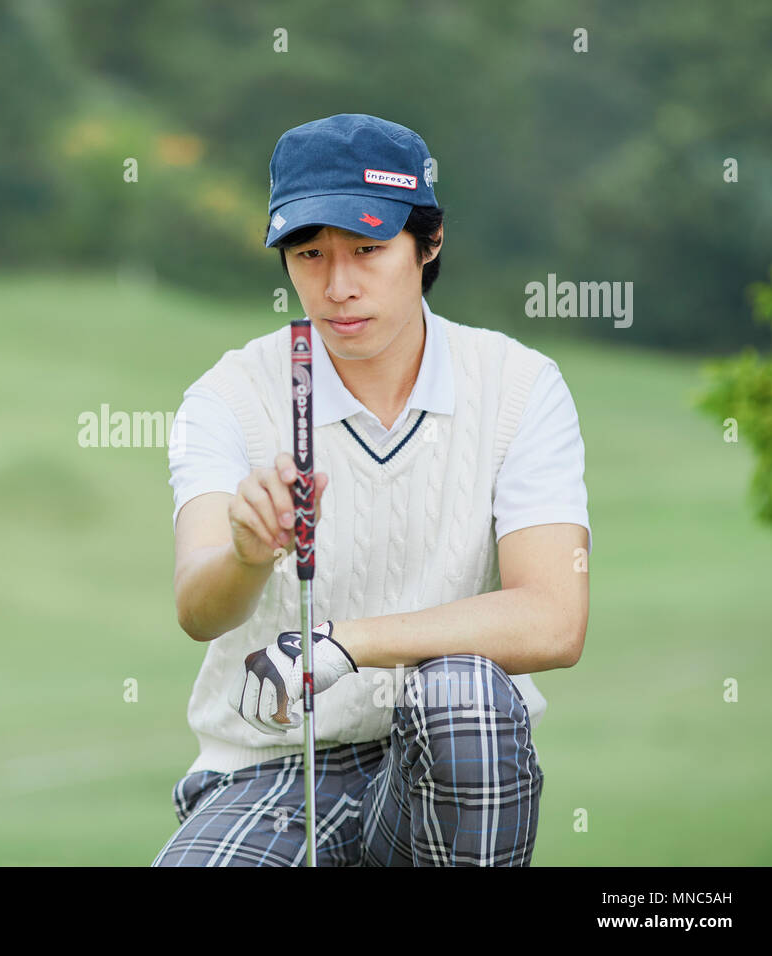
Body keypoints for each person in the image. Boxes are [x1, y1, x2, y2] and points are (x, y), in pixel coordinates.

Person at [153, 113, 591, 867]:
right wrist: (247, 553)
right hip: (268, 767)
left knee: (467, 699)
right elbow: (199, 607)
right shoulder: (227, 396)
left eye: (367, 249)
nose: (338, 285)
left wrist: (343, 646)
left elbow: (554, 620)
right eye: (309, 252)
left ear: (430, 243)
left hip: (447, 761)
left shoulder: (520, 386)